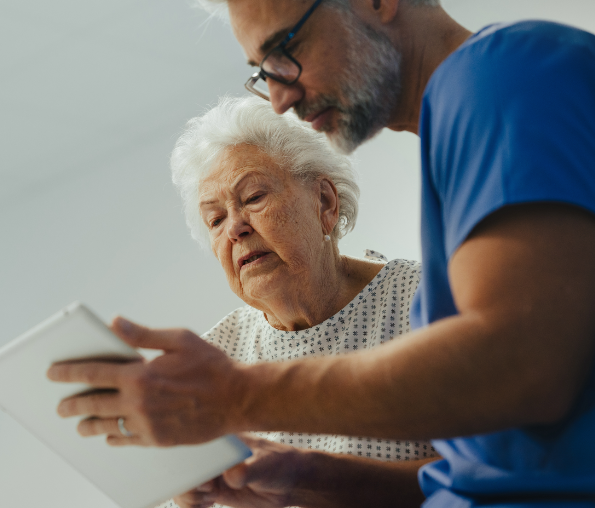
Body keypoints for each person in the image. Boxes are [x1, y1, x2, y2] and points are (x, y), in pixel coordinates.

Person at [48, 0, 595, 506]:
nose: (279, 96)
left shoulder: (505, 76)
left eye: (286, 48)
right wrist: (298, 475)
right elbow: (467, 476)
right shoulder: (459, 124)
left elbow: (521, 367)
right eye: (262, 72)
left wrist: (235, 396)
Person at [157, 96, 435, 508]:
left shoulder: (425, 299)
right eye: (215, 219)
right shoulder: (215, 357)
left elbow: (498, 472)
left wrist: (313, 480)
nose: (234, 228)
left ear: (324, 202)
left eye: (253, 197)